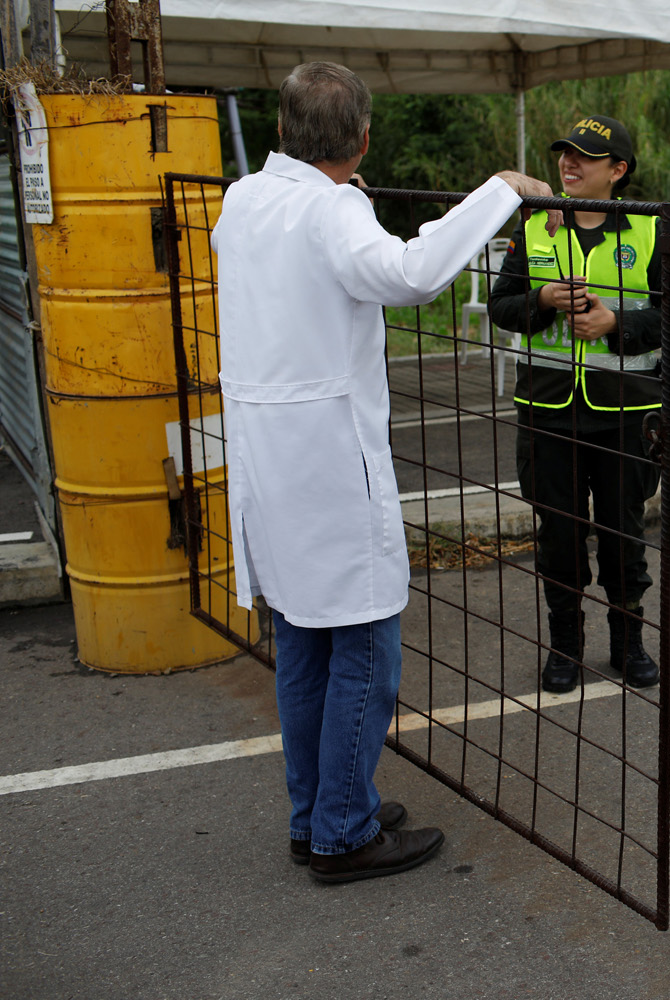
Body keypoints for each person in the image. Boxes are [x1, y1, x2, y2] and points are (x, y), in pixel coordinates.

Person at [213, 62, 551, 883]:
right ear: (363, 140)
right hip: (327, 456)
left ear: (282, 131)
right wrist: (500, 189)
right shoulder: (334, 210)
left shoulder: (244, 199)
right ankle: (343, 832)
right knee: (366, 645)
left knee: (301, 640)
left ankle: (319, 811)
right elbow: (409, 273)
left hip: (266, 455)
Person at [489, 115, 670, 695]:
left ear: (618, 171)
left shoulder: (650, 230)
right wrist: (542, 299)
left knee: (622, 533)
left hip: (626, 413)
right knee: (558, 532)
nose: (568, 164)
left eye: (584, 156)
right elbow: (500, 307)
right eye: (565, 154)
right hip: (548, 410)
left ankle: (628, 643)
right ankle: (564, 647)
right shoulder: (535, 226)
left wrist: (617, 324)